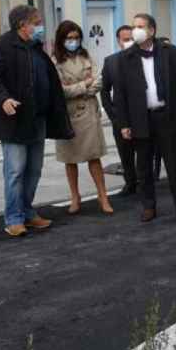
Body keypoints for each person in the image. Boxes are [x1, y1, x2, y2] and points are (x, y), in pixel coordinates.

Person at [0, 5, 74, 238]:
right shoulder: (0, 46)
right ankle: (13, 219)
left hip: (38, 119)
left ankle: (27, 212)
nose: (41, 26)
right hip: (14, 121)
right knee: (15, 171)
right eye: (37, 22)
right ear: (23, 25)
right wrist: (4, 99)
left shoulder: (36, 49)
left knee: (34, 170)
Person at [114, 13, 176, 223]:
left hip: (166, 116)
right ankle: (149, 206)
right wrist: (124, 124)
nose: (135, 30)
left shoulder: (169, 52)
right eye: (134, 26)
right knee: (144, 168)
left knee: (174, 165)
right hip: (141, 119)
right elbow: (120, 94)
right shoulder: (125, 58)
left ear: (152, 30)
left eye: (140, 26)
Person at [52, 20, 113, 215]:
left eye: (76, 37)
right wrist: (83, 86)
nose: (73, 41)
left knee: (93, 156)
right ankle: (75, 197)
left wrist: (83, 88)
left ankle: (102, 195)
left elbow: (99, 81)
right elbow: (60, 91)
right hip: (67, 115)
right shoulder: (55, 61)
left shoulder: (87, 56)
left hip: (88, 112)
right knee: (70, 159)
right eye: (69, 38)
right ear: (61, 40)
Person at [101, 25, 160, 196]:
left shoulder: (145, 59)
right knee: (125, 153)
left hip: (142, 116)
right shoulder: (111, 62)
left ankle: (145, 183)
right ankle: (130, 183)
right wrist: (113, 115)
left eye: (131, 39)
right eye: (125, 39)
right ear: (118, 41)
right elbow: (105, 91)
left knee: (145, 153)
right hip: (120, 117)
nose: (129, 42)